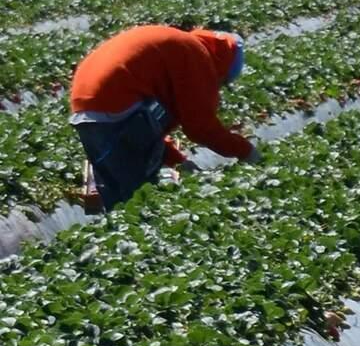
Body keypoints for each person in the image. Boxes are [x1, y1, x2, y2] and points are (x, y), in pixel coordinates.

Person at [68, 25, 255, 210]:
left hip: (84, 110)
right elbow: (201, 127)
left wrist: (177, 160)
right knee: (141, 197)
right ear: (222, 66)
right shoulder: (196, 55)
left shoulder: (176, 44)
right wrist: (246, 151)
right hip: (116, 105)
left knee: (119, 200)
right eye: (223, 81)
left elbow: (155, 122)